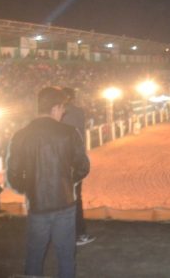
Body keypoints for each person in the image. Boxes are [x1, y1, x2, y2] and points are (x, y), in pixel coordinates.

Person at [6, 87, 90, 278]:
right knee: (66, 255)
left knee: (34, 255)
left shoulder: (21, 135)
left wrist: (29, 188)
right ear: (55, 108)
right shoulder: (69, 132)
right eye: (62, 108)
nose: (64, 112)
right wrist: (68, 182)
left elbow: (13, 174)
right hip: (65, 203)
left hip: (37, 205)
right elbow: (83, 167)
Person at [61, 87, 95, 246]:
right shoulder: (76, 112)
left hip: (61, 163)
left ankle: (64, 232)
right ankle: (77, 234)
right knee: (74, 199)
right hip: (72, 163)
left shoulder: (57, 114)